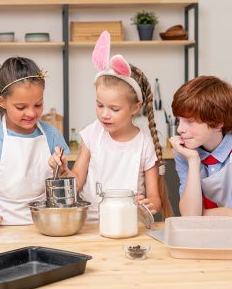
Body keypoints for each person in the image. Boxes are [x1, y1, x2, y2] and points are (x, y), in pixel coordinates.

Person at [49, 31, 173, 221]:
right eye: (99, 105)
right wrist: (65, 171)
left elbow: (155, 199)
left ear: (135, 107)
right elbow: (78, 182)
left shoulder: (144, 143)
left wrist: (148, 205)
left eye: (114, 109)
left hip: (128, 224)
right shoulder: (92, 134)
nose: (104, 114)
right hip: (90, 224)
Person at [0, 57, 69, 225]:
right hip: (1, 225)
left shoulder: (52, 134)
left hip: (46, 225)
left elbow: (68, 182)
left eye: (38, 105)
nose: (31, 113)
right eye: (21, 107)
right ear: (1, 101)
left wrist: (62, 171)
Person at [170, 76, 232, 217]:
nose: (180, 129)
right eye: (178, 120)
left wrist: (200, 214)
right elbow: (189, 216)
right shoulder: (185, 153)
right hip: (212, 232)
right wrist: (193, 161)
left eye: (189, 121)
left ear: (218, 122)